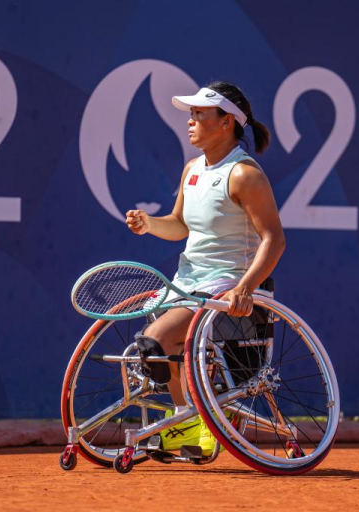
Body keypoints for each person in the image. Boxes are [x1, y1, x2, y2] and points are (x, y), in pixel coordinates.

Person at [124, 81, 285, 455]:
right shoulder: (192, 169)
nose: (191, 121)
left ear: (227, 122)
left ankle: (187, 423)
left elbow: (274, 239)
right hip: (187, 283)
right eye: (191, 114)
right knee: (153, 348)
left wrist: (245, 286)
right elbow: (180, 225)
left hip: (225, 287)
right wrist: (150, 224)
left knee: (156, 340)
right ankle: (189, 424)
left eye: (200, 114)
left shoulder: (245, 174)